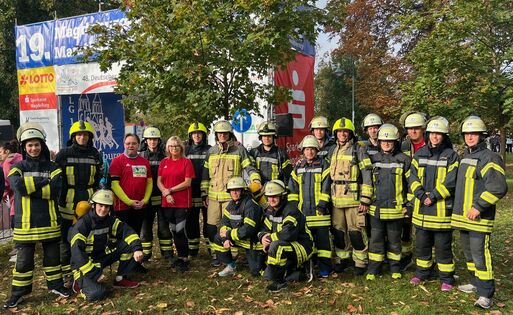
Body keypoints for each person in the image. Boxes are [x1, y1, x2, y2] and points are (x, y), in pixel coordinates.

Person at [4, 123, 72, 309]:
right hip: (25, 225)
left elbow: (54, 190)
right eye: (30, 145)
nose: (34, 148)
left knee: (52, 261)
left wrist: (30, 187)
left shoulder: (54, 166)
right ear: (24, 147)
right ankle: (18, 294)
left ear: (42, 145)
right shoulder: (17, 167)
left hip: (49, 222)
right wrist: (43, 181)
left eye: (37, 144)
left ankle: (56, 286)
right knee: (24, 262)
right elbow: (18, 186)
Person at [452, 116, 507, 309]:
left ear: (482, 135)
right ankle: (475, 283)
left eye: (473, 133)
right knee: (468, 253)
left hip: (479, 218)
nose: (470, 137)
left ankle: (486, 294)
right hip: (463, 218)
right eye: (467, 133)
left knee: (480, 255)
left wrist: (478, 206)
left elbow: (498, 188)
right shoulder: (465, 156)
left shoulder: (490, 158)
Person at [408, 117, 459, 291]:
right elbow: (412, 177)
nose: (435, 137)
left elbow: (452, 182)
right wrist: (422, 196)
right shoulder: (419, 154)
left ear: (444, 136)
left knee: (443, 247)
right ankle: (422, 273)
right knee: (422, 245)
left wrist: (434, 196)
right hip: (422, 211)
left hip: (441, 212)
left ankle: (446, 278)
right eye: (432, 133)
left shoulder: (451, 156)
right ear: (428, 134)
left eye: (439, 134)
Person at [201, 120, 261, 266]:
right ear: (216, 135)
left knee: (232, 226)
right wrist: (204, 193)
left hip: (232, 197)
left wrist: (256, 180)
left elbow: (249, 167)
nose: (222, 135)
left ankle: (232, 255)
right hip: (214, 197)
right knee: (211, 227)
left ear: (229, 134)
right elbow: (205, 174)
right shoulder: (211, 151)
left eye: (225, 133)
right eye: (219, 133)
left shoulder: (239, 150)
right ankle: (217, 254)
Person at [69, 189, 144, 302]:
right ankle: (78, 282)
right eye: (101, 205)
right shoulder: (82, 225)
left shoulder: (109, 220)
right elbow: (77, 254)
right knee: (97, 294)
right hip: (84, 265)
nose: (103, 209)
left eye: (107, 207)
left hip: (101, 256)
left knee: (128, 245)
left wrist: (137, 249)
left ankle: (121, 279)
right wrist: (95, 274)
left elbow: (127, 231)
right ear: (93, 205)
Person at [55, 120, 103, 285]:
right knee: (66, 240)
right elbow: (57, 180)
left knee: (88, 238)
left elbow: (98, 179)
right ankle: (68, 275)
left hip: (89, 201)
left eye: (85, 135)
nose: (82, 137)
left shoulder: (95, 154)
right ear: (73, 137)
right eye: (79, 134)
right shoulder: (63, 154)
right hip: (67, 203)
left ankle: (86, 271)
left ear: (90, 137)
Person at [326, 118, 373, 275]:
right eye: (339, 131)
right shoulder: (332, 150)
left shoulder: (358, 150)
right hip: (336, 201)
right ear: (335, 134)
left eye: (345, 131)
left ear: (351, 133)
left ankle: (360, 262)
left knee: (356, 232)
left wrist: (365, 198)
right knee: (338, 232)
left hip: (354, 200)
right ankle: (342, 259)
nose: (342, 134)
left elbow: (367, 174)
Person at [366, 124, 411, 281]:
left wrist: (408, 205)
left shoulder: (404, 160)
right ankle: (374, 269)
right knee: (376, 241)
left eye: (390, 141)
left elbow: (411, 185)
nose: (386, 144)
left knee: (394, 241)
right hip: (376, 210)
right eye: (383, 141)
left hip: (396, 210)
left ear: (395, 142)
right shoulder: (372, 160)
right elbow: (367, 183)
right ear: (378, 142)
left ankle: (395, 268)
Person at [288, 135, 332, 277]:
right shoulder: (298, 168)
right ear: (303, 151)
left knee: (323, 244)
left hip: (320, 214)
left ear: (317, 150)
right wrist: (294, 208)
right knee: (307, 243)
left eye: (312, 149)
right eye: (307, 149)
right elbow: (293, 189)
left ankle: (325, 269)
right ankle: (308, 267)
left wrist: (322, 205)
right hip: (304, 214)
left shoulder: (325, 165)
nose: (309, 152)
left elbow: (327, 187)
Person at [259, 180, 313, 292]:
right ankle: (294, 273)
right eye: (269, 197)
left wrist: (269, 239)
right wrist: (263, 237)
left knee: (276, 246)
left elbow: (288, 234)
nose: (271, 200)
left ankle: (280, 283)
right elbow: (264, 228)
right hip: (285, 244)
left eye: (275, 196)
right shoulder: (271, 210)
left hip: (302, 246)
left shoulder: (291, 210)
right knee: (266, 274)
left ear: (282, 196)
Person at [109, 134, 152, 273]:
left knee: (136, 234)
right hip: (123, 207)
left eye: (133, 143)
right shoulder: (117, 161)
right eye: (128, 143)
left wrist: (145, 200)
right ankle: (124, 266)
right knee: (124, 237)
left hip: (140, 206)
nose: (131, 146)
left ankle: (135, 264)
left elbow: (149, 183)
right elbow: (114, 185)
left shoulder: (144, 162)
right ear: (124, 144)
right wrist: (129, 201)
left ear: (139, 145)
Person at [212, 176, 264, 277]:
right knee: (218, 238)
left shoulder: (250, 205)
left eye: (237, 190)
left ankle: (264, 260)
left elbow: (248, 230)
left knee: (256, 272)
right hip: (239, 238)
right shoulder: (232, 204)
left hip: (253, 242)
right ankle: (231, 266)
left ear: (243, 191)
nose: (234, 193)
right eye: (232, 190)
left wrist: (229, 234)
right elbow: (224, 223)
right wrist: (225, 238)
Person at [157, 136, 194, 272]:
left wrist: (171, 190)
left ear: (181, 148)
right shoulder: (163, 162)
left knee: (179, 230)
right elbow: (159, 181)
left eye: (177, 146)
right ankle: (179, 257)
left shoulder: (186, 162)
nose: (174, 148)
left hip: (182, 203)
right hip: (167, 202)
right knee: (173, 230)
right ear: (168, 148)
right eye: (171, 146)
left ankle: (184, 258)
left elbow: (187, 182)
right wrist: (166, 194)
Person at [138, 127, 173, 261]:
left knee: (164, 228)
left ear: (159, 141)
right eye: (150, 139)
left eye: (155, 139)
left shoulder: (165, 156)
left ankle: (168, 253)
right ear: (145, 141)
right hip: (146, 198)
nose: (152, 142)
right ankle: (146, 254)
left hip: (162, 196)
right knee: (145, 229)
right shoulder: (140, 156)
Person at [399, 111, 428, 271]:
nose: (413, 132)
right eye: (410, 129)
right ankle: (407, 257)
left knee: (426, 230)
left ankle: (429, 261)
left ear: (423, 129)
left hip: (426, 193)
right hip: (406, 193)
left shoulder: (430, 145)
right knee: (406, 229)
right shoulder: (403, 146)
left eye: (417, 128)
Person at [184, 122, 211, 256]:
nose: (196, 136)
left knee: (209, 220)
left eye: (199, 133)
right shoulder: (186, 151)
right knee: (191, 220)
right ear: (190, 135)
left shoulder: (210, 150)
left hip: (207, 191)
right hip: (190, 191)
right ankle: (193, 249)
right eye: (194, 133)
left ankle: (211, 248)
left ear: (204, 135)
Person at [1, 140, 22, 228]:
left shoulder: (7, 163)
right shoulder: (22, 158)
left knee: (16, 227)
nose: (0, 155)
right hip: (30, 201)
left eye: (0, 152)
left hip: (16, 202)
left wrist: (3, 194)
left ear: (7, 151)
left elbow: (7, 183)